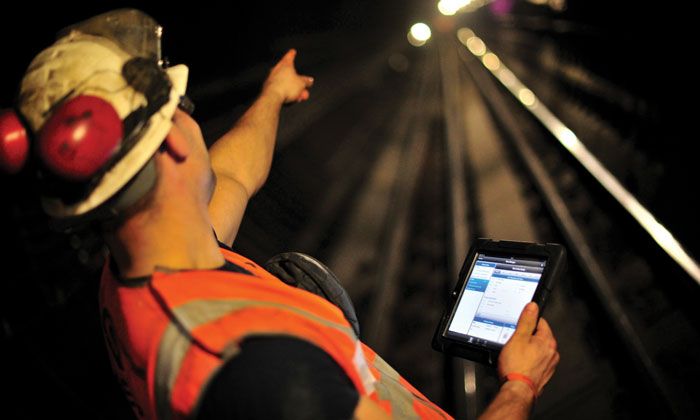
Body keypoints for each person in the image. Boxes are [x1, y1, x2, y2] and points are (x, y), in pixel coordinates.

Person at [1, 9, 559, 420]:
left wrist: (271, 97)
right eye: (183, 110)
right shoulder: (258, 373)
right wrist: (518, 384)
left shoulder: (141, 274)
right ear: (171, 143)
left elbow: (235, 176)